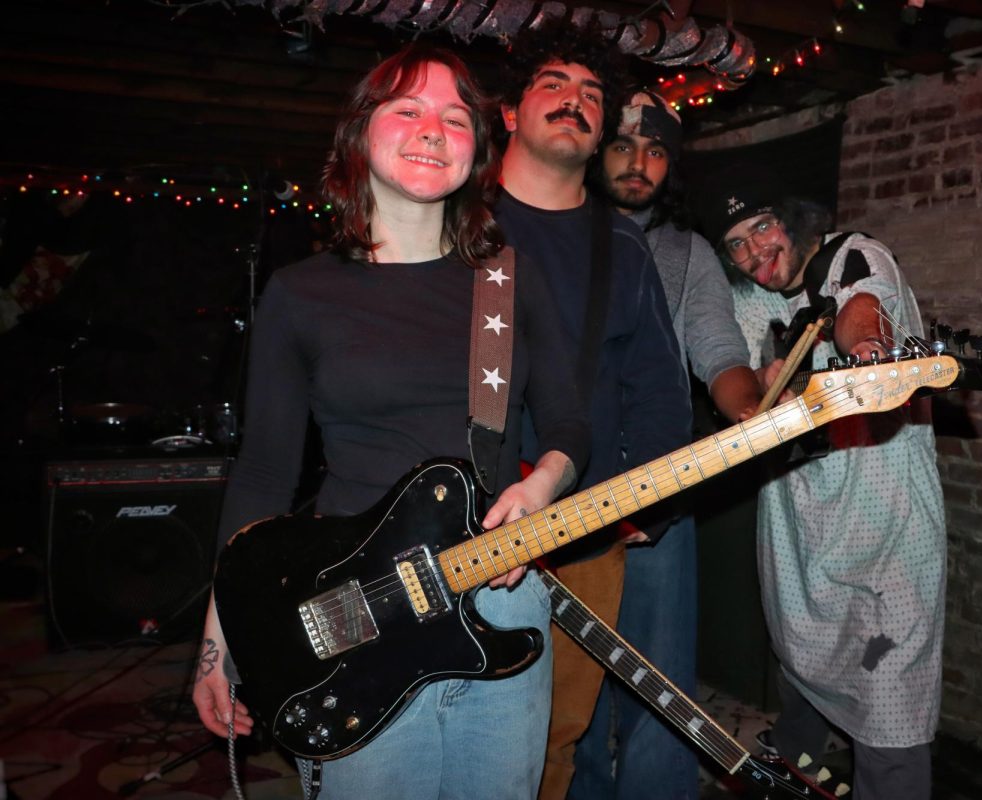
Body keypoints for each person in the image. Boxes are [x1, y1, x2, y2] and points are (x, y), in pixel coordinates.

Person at [190, 43, 591, 800]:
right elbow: (265, 474)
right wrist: (219, 640)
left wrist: (544, 484)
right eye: (406, 109)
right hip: (348, 608)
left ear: (479, 152)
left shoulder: (508, 280)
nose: (432, 129)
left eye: (454, 117)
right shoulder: (300, 293)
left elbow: (572, 421)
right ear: (358, 137)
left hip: (498, 594)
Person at [492, 20, 694, 800]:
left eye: (592, 95)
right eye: (554, 84)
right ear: (510, 112)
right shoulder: (452, 220)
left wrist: (646, 496)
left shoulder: (623, 244)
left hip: (581, 533)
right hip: (442, 528)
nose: (575, 102)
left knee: (554, 742)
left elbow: (658, 388)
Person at [698, 188, 946, 800]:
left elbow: (861, 309)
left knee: (891, 685)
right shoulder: (753, 299)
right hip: (798, 510)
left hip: (884, 508)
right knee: (804, 656)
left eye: (762, 228)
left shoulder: (854, 256)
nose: (754, 251)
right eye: (736, 244)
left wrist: (865, 348)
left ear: (792, 219)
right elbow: (747, 370)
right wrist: (758, 392)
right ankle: (789, 775)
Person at [576, 89, 762, 800]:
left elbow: (719, 349)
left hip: (657, 492)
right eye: (625, 145)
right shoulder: (559, 235)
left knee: (659, 689)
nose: (640, 163)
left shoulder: (689, 253)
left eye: (657, 151)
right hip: (557, 494)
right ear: (597, 151)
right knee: (573, 686)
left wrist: (749, 407)